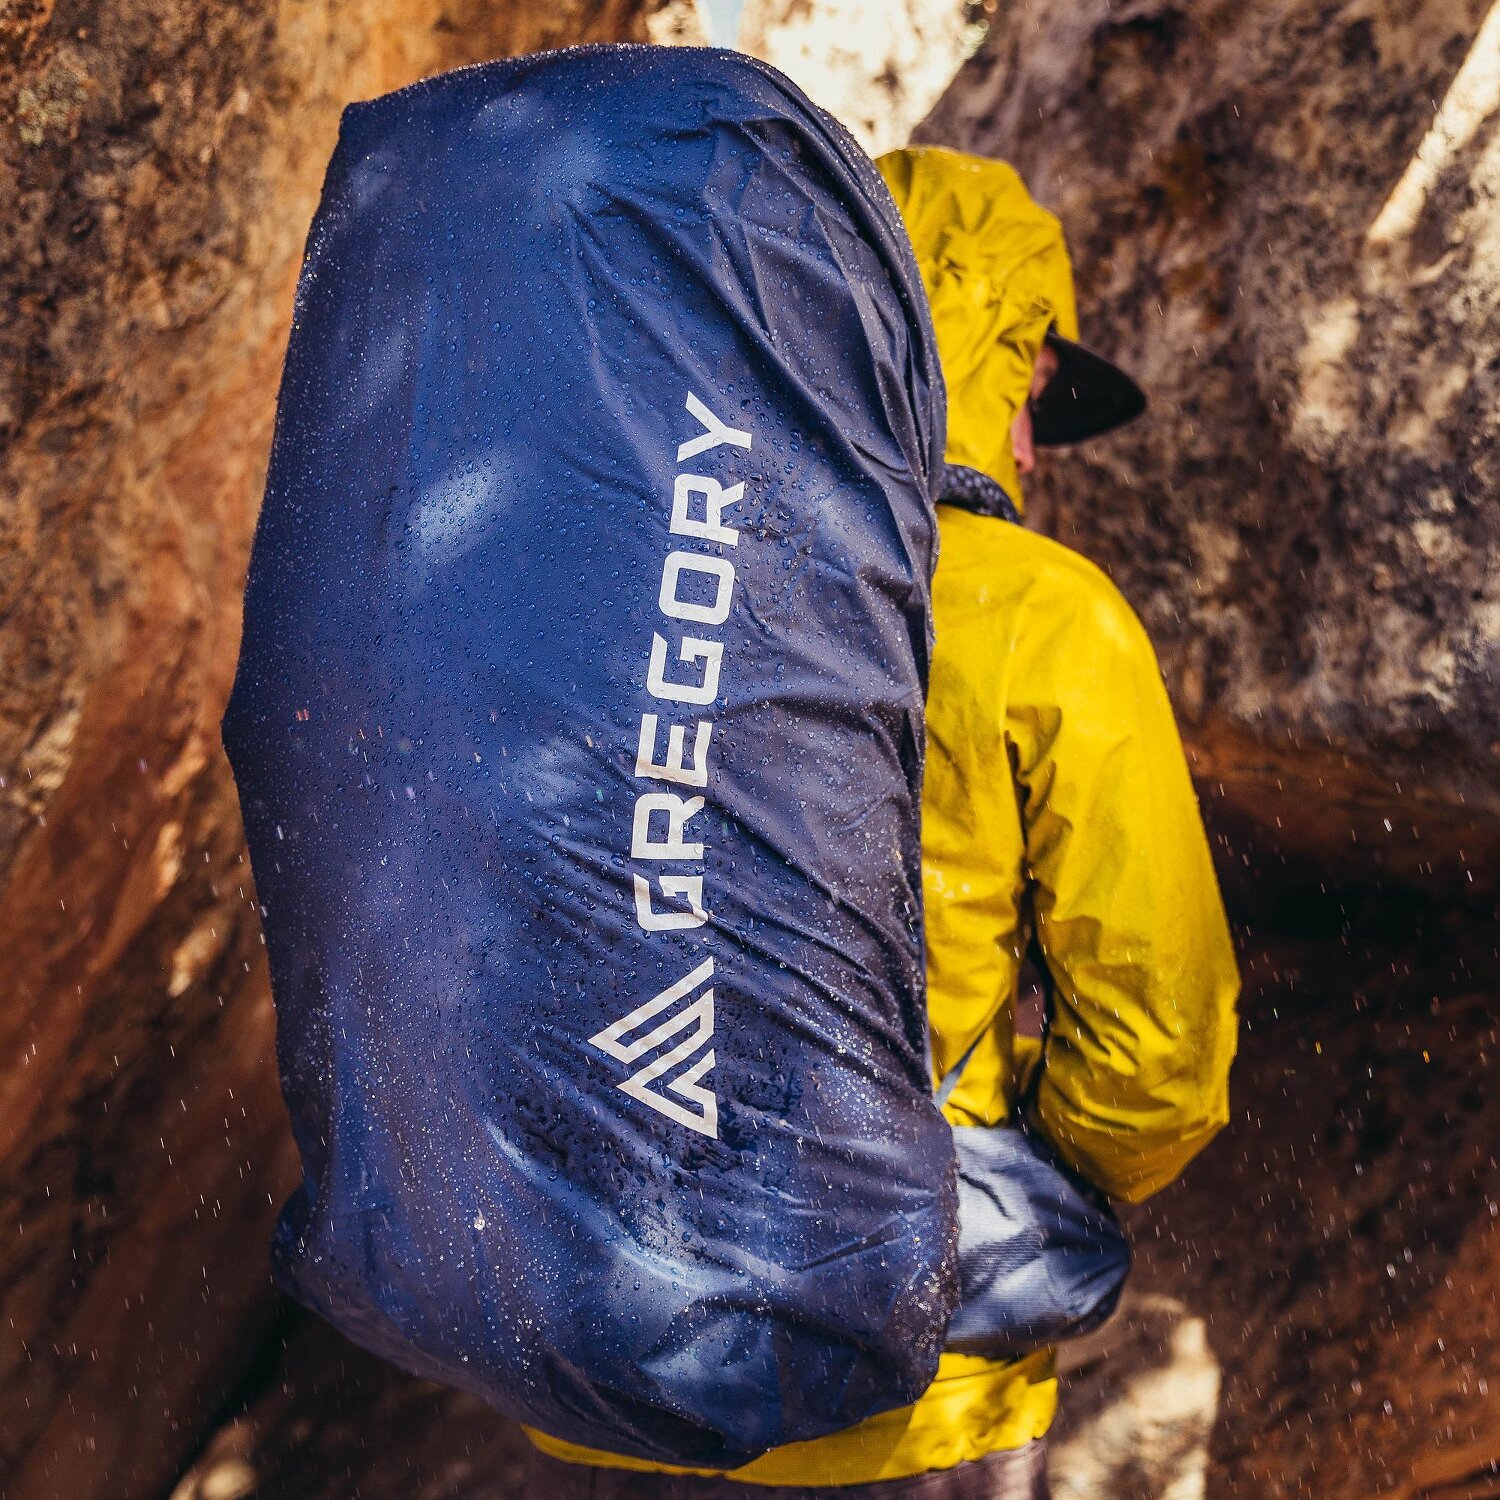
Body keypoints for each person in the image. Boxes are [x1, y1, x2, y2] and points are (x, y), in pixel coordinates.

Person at [524, 146, 1239, 1499]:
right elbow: (1160, 1058)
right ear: (989, 357)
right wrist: (999, 1202)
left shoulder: (616, 590)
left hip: (607, 1377)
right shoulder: (1039, 617)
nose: (1029, 448)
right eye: (1029, 395)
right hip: (901, 1410)